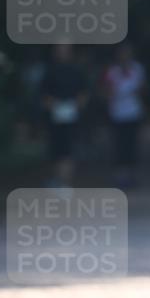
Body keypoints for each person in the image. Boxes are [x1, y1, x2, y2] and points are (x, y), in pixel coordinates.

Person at [40, 43, 89, 190]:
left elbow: (84, 92)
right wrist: (53, 106)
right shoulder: (49, 70)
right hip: (54, 115)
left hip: (72, 115)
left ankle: (65, 182)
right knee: (56, 149)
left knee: (68, 149)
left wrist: (75, 106)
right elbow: (43, 93)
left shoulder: (77, 70)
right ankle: (57, 179)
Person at [102, 43, 146, 188]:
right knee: (119, 145)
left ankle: (132, 174)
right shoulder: (112, 71)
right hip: (117, 114)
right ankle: (120, 176)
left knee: (131, 144)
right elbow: (106, 92)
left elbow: (143, 89)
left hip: (133, 113)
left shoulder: (137, 69)